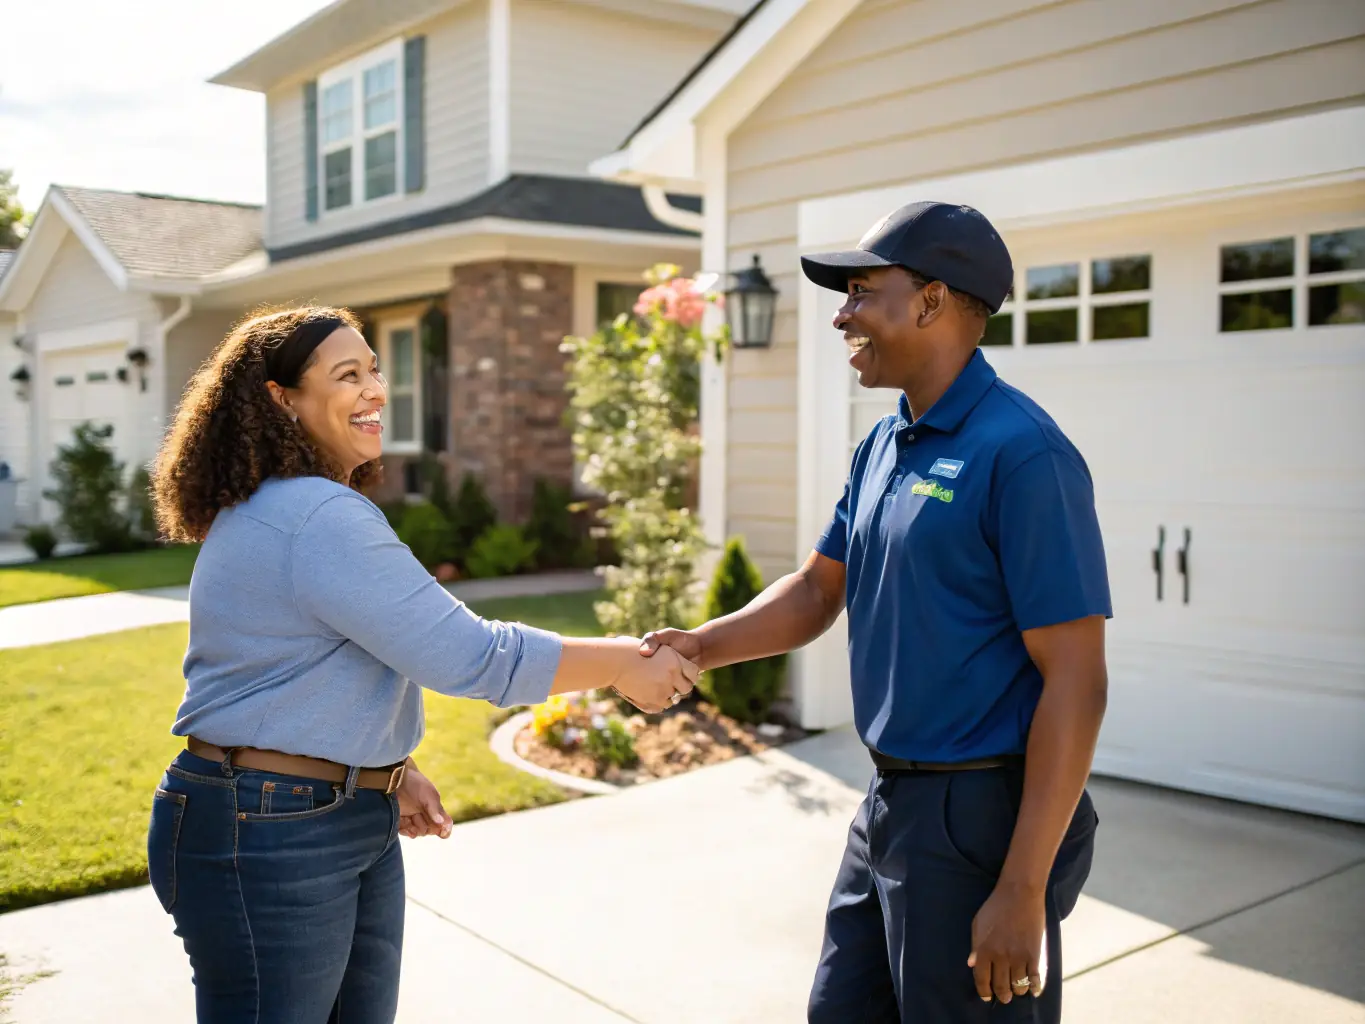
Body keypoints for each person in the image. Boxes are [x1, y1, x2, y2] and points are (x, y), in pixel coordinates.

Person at [146, 306, 697, 1023]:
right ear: (282, 400)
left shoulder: (284, 508)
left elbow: (302, 670)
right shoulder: (314, 515)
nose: (376, 388)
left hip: (317, 813)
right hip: (269, 827)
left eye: (374, 368)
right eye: (348, 375)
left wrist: (383, 768)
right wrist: (623, 661)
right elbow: (470, 656)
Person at [642, 202, 1109, 1022]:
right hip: (891, 805)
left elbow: (1075, 681)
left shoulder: (1024, 453)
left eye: (861, 291)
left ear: (930, 301)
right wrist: (698, 648)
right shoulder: (884, 443)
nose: (840, 313)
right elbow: (821, 588)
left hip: (981, 818)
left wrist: (1021, 887)